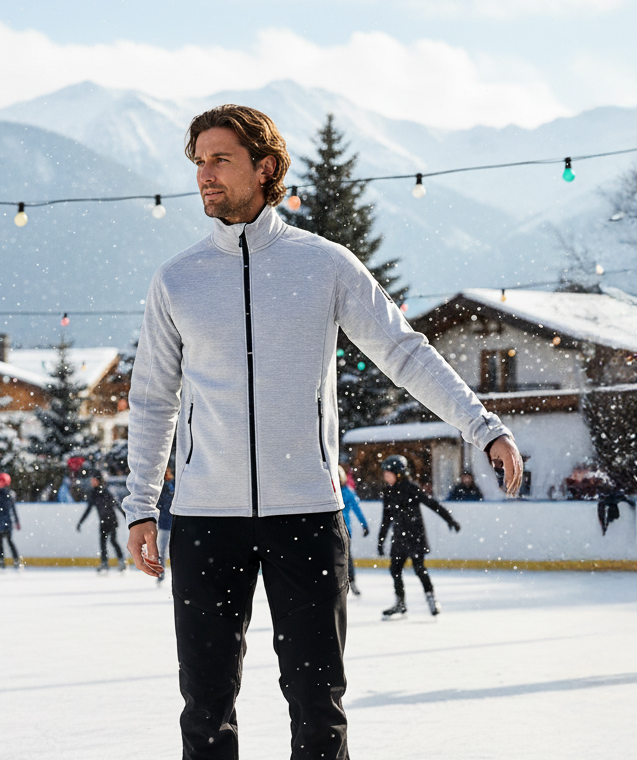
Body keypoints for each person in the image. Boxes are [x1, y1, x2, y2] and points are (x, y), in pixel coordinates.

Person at [123, 104, 523, 760]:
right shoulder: (177, 279)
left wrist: (481, 425)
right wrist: (142, 506)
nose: (205, 174)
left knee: (318, 709)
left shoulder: (325, 265)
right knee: (205, 711)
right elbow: (151, 399)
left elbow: (404, 352)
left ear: (265, 168)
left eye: (220, 159)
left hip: (305, 516)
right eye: (198, 161)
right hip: (205, 520)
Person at [377, 455, 461, 618]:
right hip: (399, 537)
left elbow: (432, 504)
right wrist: (380, 541)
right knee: (395, 569)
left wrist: (450, 519)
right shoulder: (388, 492)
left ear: (399, 473)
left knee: (419, 569)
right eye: (384, 474)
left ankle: (431, 599)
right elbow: (386, 518)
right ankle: (400, 604)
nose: (385, 477)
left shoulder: (411, 488)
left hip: (415, 536)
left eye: (388, 474)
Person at [77, 470, 126, 572]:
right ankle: (104, 563)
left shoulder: (106, 491)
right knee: (102, 542)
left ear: (98, 480)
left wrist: (125, 515)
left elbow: (117, 504)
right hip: (103, 522)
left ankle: (122, 561)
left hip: (112, 521)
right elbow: (88, 509)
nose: (92, 482)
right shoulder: (94, 494)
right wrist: (80, 522)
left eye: (93, 480)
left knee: (113, 540)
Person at [339, 466, 369, 596]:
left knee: (347, 558)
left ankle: (351, 582)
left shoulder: (347, 492)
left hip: (344, 531)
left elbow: (357, 509)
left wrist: (364, 525)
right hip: (332, 530)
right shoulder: (330, 492)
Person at [154, 466, 175, 582]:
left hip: (175, 522)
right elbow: (158, 504)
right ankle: (161, 572)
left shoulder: (174, 484)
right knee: (162, 549)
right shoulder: (161, 488)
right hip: (165, 523)